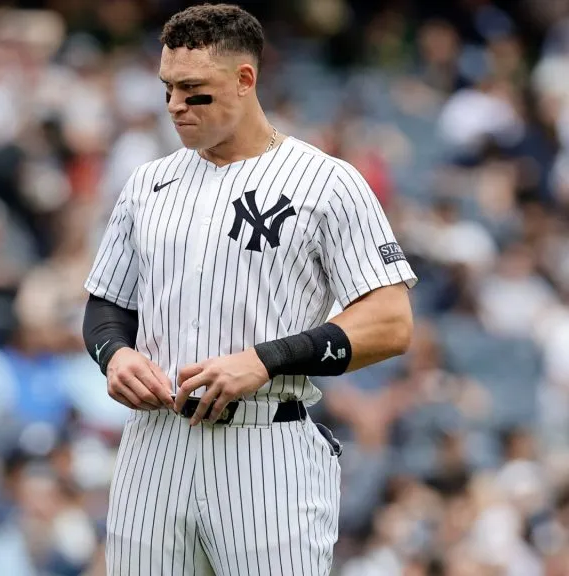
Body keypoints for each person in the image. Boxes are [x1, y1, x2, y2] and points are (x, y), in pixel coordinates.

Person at [81, 5, 417, 575]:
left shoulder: (325, 181)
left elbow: (390, 322)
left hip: (265, 441)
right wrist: (114, 355)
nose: (174, 107)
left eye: (194, 91)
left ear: (245, 79)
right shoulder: (148, 181)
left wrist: (265, 360)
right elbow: (106, 304)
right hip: (153, 444)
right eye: (167, 89)